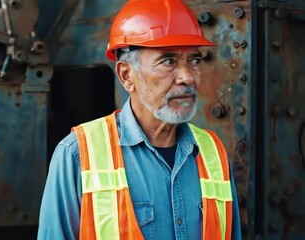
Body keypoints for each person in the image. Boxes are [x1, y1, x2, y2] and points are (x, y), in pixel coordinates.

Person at [38, 0, 242, 239]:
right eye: (168, 61)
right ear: (126, 75)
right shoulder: (77, 155)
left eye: (194, 60)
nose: (188, 76)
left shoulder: (213, 153)